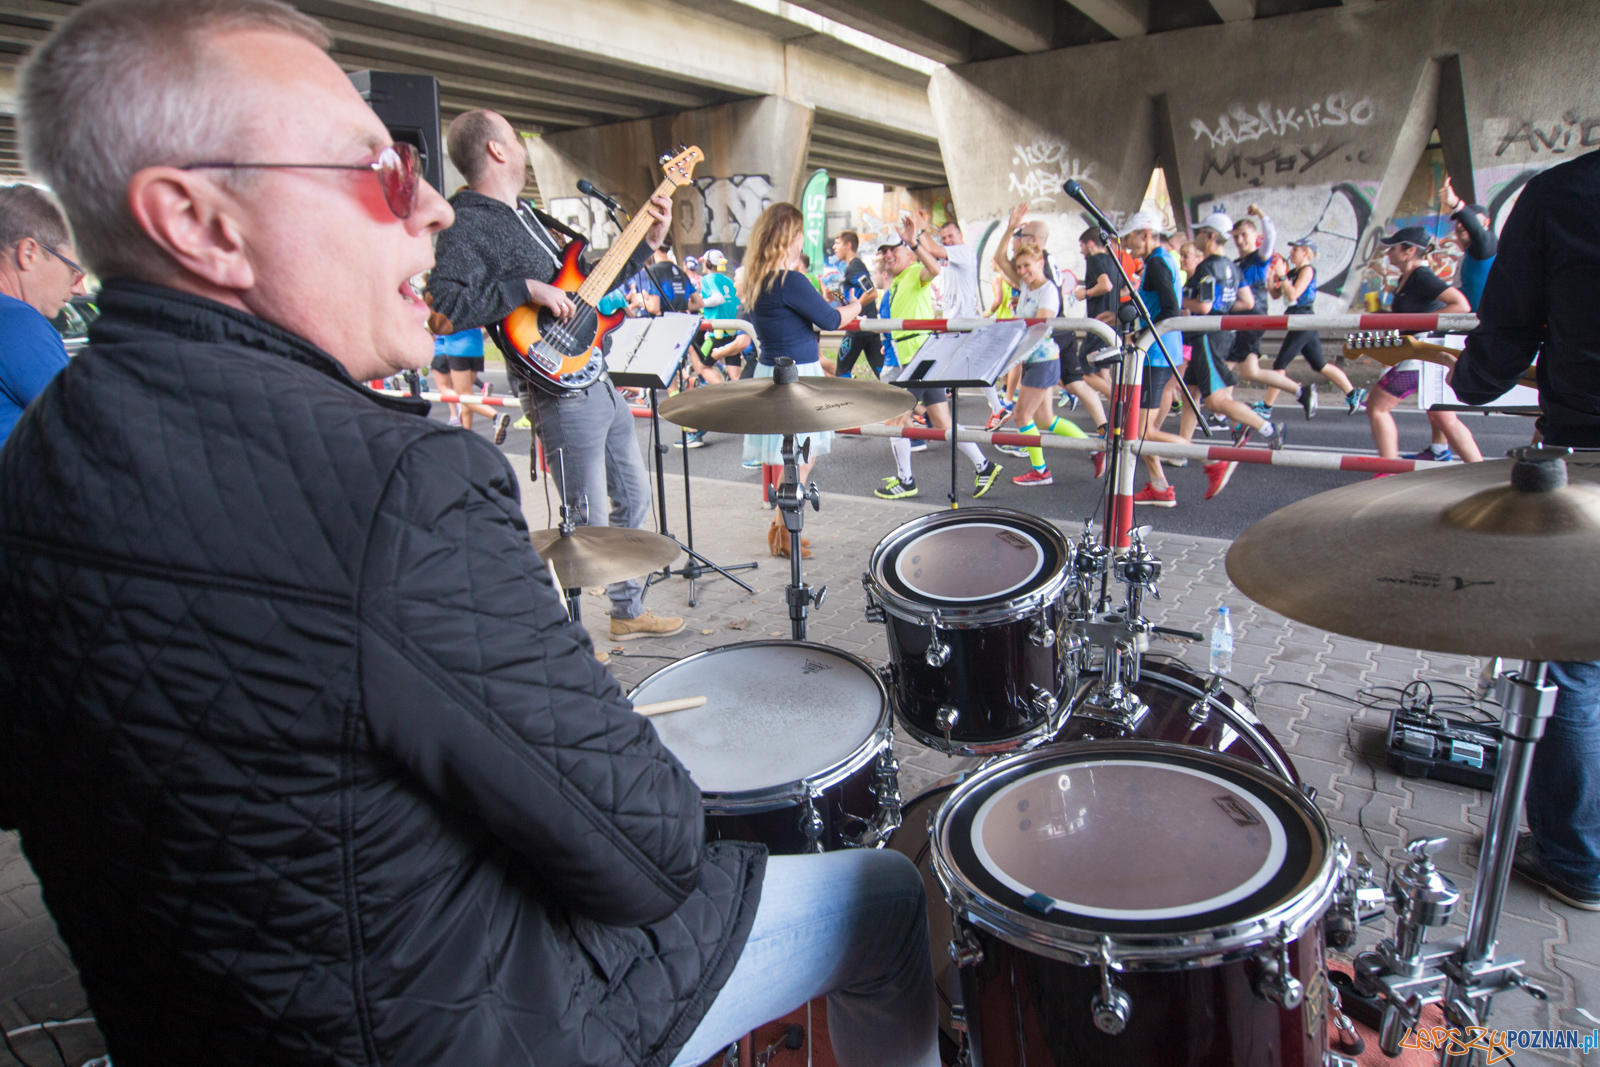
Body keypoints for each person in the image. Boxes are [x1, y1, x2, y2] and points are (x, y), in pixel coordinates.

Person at [0, 6, 940, 1067]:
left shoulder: (33, 457)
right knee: (887, 892)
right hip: (474, 1026)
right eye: (378, 170)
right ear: (197, 218)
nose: (436, 210)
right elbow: (651, 851)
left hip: (198, 1021)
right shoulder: (399, 486)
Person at [428, 108, 683, 640]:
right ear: (497, 150)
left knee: (634, 498)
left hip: (595, 376)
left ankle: (626, 612)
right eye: (516, 140)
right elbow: (446, 306)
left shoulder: (526, 215)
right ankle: (570, 641)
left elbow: (585, 283)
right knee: (579, 524)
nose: (523, 149)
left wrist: (649, 242)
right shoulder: (465, 223)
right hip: (556, 389)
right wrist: (525, 289)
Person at [1450, 148, 1600, 911]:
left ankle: (1574, 857)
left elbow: (1506, 330)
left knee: (1573, 662)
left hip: (1592, 452)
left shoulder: (1569, 191)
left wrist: (1468, 381)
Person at [741, 203, 865, 555]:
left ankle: (780, 530)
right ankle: (783, 535)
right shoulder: (789, 280)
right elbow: (829, 320)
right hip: (798, 374)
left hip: (774, 370)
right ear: (790, 237)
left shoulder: (759, 280)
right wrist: (859, 305)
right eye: (799, 234)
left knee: (792, 461)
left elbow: (797, 315)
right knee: (801, 461)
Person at [876, 213, 1001, 500]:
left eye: (894, 249)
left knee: (894, 420)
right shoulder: (895, 282)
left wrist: (915, 242)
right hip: (917, 358)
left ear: (907, 253)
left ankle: (906, 481)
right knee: (942, 424)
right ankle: (984, 466)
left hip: (921, 358)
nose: (888, 255)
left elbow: (934, 269)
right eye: (885, 251)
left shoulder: (915, 271)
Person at [1178, 211, 1284, 503]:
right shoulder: (1232, 267)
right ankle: (1181, 448)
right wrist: (1223, 312)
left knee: (1215, 400)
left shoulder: (1207, 267)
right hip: (1221, 334)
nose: (1196, 235)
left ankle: (1267, 428)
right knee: (1191, 394)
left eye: (1200, 232)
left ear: (1210, 237)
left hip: (1208, 338)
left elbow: (1202, 307)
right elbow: (1247, 301)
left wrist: (1178, 299)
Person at [1363, 226, 1482, 462]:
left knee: (1377, 407)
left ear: (1409, 251)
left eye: (1393, 247)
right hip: (1426, 355)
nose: (1387, 253)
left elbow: (1461, 305)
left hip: (1423, 356)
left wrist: (1427, 329)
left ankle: (1388, 470)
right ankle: (1479, 469)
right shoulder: (1407, 278)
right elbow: (1408, 319)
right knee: (1444, 418)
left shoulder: (1421, 276)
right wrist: (1379, 313)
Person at [0, 183, 85, 445]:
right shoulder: (16, 321)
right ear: (29, 253)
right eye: (74, 271)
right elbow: (88, 427)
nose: (80, 289)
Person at [1260, 238, 1363, 417]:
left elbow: (1294, 293)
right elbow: (1277, 294)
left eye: (1295, 250)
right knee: (1319, 364)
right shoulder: (1293, 272)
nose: (1291, 252)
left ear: (1305, 253)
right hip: (1299, 319)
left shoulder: (1307, 271)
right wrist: (1270, 278)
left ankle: (1266, 407)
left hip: (1304, 320)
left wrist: (1283, 277)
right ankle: (1353, 394)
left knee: (1279, 364)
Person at [830, 230, 882, 379]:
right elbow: (856, 296)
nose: (834, 247)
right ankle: (901, 400)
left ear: (848, 245)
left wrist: (854, 308)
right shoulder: (853, 267)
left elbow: (871, 292)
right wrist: (835, 297)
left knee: (841, 372)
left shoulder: (854, 268)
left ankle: (848, 403)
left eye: (837, 243)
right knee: (882, 373)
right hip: (870, 326)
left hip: (859, 326)